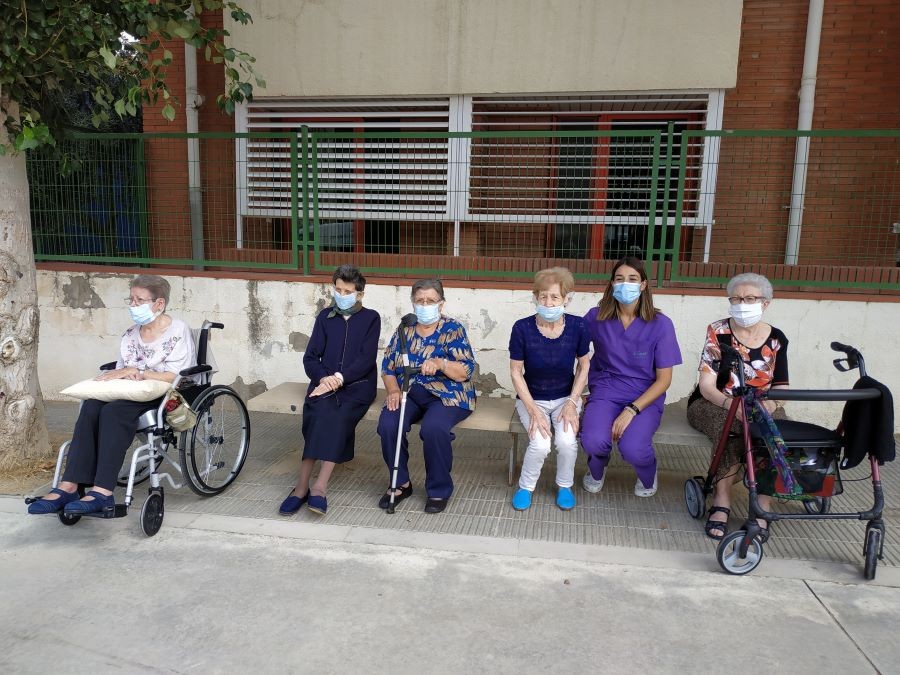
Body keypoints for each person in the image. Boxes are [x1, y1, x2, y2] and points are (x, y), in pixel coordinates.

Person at [28, 275, 196, 516]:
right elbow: (122, 368)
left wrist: (139, 372)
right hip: (129, 390)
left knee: (113, 412)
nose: (133, 305)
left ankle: (103, 491)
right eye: (131, 299)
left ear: (159, 304)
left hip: (162, 392)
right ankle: (70, 485)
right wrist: (119, 374)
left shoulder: (178, 331)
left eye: (139, 300)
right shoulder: (131, 334)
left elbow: (174, 375)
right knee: (91, 406)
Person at [687, 272, 788, 542]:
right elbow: (707, 386)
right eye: (737, 298)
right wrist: (732, 404)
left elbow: (782, 385)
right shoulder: (718, 331)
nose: (743, 304)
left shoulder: (777, 338)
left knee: (773, 432)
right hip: (716, 401)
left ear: (765, 303)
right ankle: (722, 499)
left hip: (763, 403)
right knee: (732, 426)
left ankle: (763, 505)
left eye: (750, 298)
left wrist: (772, 404)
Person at [279, 264, 381, 517]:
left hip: (357, 386)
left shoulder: (371, 318)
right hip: (324, 383)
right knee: (318, 412)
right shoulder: (325, 317)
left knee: (337, 415)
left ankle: (319, 487)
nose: (341, 295)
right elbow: (311, 357)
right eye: (338, 289)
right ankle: (301, 486)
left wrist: (339, 378)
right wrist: (324, 378)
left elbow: (366, 359)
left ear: (359, 294)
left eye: (347, 291)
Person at [580, 257, 682, 498]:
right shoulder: (596, 317)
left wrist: (632, 410)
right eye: (620, 279)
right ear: (612, 284)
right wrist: (575, 394)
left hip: (645, 396)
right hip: (606, 391)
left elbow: (664, 380)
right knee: (593, 440)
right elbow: (572, 349)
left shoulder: (661, 324)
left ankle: (647, 472)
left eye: (632, 279)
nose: (625, 284)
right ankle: (597, 468)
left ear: (643, 285)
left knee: (633, 448)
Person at [376, 279, 476, 514]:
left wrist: (441, 364)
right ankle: (400, 483)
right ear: (412, 302)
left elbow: (465, 371)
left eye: (430, 301)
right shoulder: (404, 329)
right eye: (419, 300)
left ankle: (439, 489)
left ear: (441, 304)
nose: (424, 305)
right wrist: (393, 390)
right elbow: (388, 367)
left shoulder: (453, 329)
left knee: (434, 428)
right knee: (388, 423)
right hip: (409, 391)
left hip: (448, 394)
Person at [509, 267, 590, 511]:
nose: (548, 302)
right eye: (543, 296)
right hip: (532, 399)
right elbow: (516, 372)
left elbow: (584, 365)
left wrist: (572, 402)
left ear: (566, 299)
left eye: (555, 297)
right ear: (535, 297)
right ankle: (525, 487)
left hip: (566, 397)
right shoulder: (522, 328)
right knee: (541, 444)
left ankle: (564, 486)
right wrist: (533, 410)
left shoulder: (578, 326)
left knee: (566, 443)